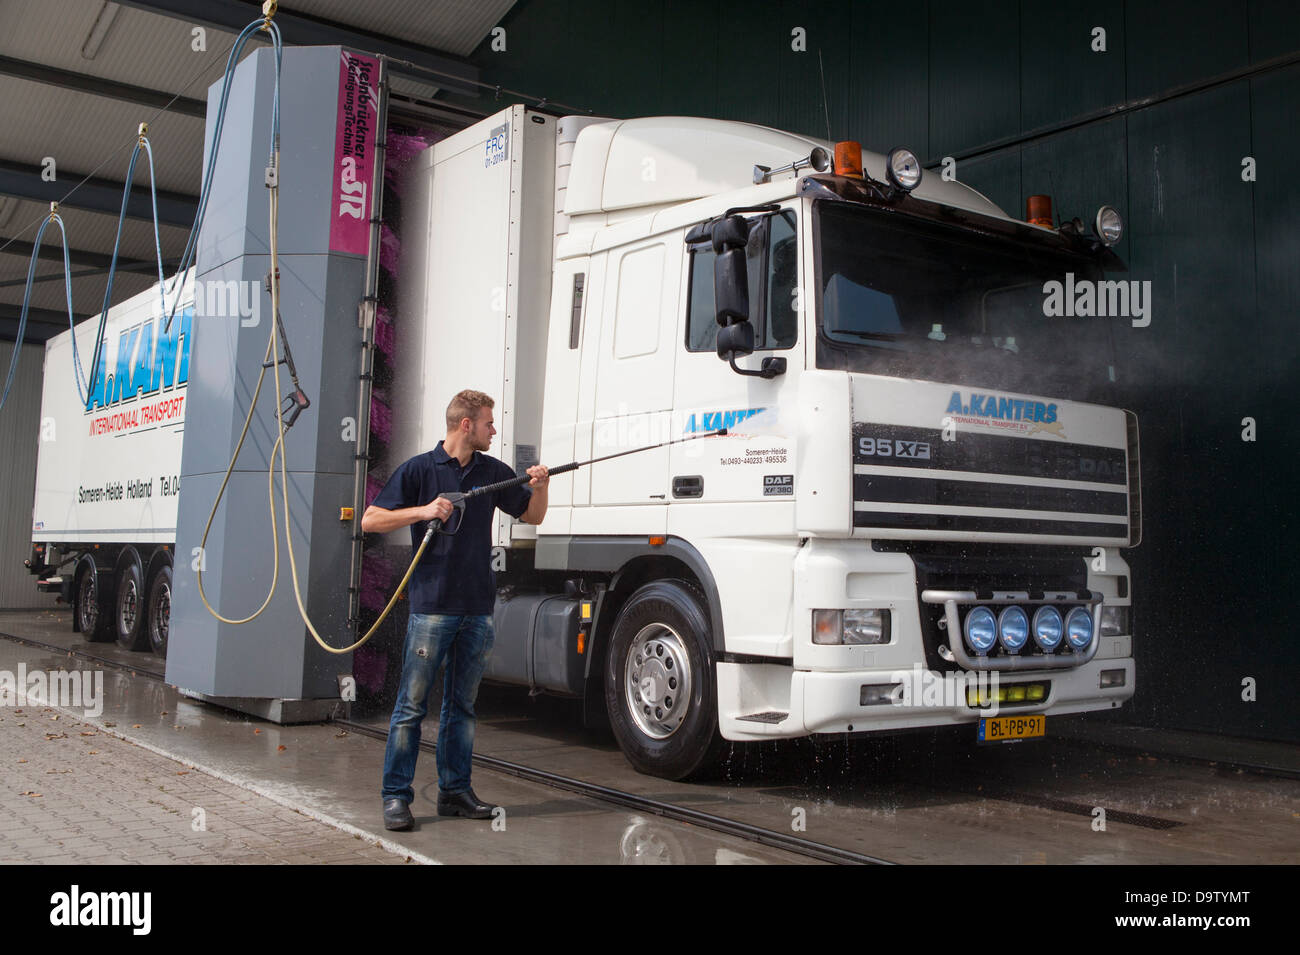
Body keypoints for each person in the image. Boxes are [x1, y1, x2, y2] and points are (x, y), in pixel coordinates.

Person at [362, 389, 548, 831]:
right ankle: (395, 797)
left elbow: (534, 517)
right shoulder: (420, 470)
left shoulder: (491, 472)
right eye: (488, 422)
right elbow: (370, 519)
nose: (494, 430)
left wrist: (541, 487)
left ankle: (455, 793)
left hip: (477, 609)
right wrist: (423, 511)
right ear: (466, 424)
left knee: (461, 707)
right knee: (411, 706)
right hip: (432, 609)